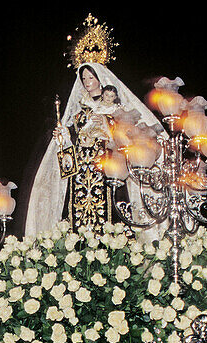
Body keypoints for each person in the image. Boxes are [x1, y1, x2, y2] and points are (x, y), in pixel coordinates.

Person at [24, 61, 164, 237]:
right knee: (76, 210)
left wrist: (107, 125)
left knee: (110, 208)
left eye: (91, 77)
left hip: (106, 166)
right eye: (83, 78)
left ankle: (114, 244)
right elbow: (74, 136)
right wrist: (64, 135)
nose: (87, 82)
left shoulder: (112, 108)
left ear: (100, 79)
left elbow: (123, 133)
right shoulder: (79, 111)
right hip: (81, 170)